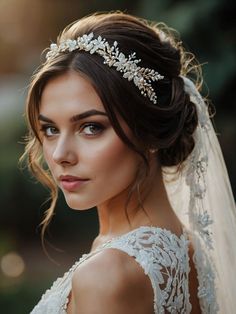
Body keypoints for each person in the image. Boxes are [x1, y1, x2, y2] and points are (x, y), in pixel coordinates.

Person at [22, 12, 236, 313]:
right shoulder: (190, 250)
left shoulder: (107, 275)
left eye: (91, 127)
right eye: (50, 129)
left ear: (149, 130)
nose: (60, 155)